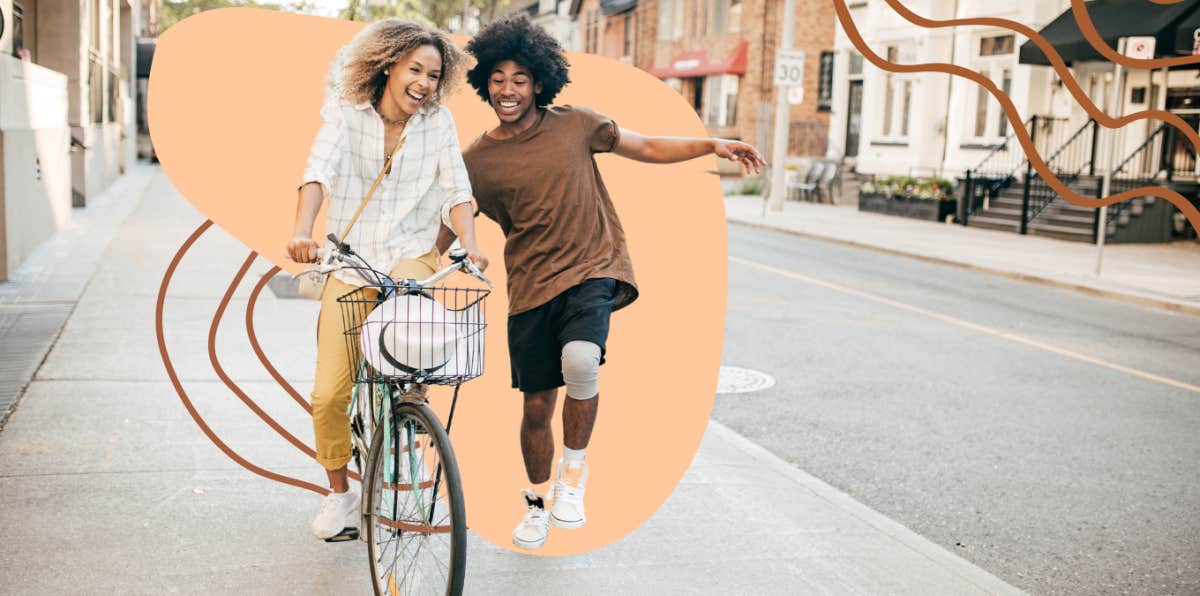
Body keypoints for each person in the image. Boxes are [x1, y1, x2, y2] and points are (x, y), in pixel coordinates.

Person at [449, 14, 764, 550]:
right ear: (485, 84)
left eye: (520, 79)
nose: (508, 89)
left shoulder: (576, 125)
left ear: (539, 83)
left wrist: (712, 143)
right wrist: (413, 268)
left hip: (594, 267)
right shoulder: (477, 159)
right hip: (530, 287)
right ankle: (535, 500)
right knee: (535, 408)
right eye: (498, 79)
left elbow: (644, 147)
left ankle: (574, 476)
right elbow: (451, 217)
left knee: (580, 360)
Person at [286, 18, 487, 541]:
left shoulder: (438, 124)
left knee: (413, 340)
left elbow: (457, 190)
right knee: (330, 394)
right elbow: (318, 172)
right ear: (389, 65)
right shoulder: (345, 115)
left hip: (410, 255)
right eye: (414, 69)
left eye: (433, 74)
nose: (423, 82)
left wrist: (469, 242)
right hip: (351, 262)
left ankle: (405, 425)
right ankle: (340, 495)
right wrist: (302, 231)